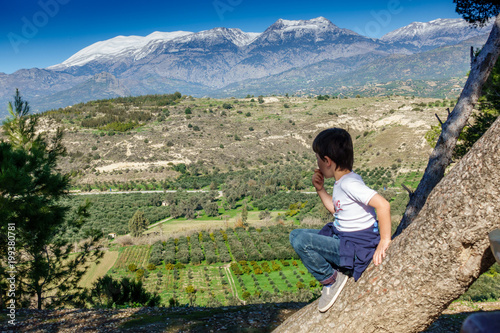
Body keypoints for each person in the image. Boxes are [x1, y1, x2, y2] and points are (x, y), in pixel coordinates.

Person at [289, 128, 391, 312]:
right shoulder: (343, 181)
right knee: (296, 234)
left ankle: (332, 280)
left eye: (318, 158)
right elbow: (337, 210)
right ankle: (336, 272)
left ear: (327, 161)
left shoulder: (349, 184)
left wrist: (385, 241)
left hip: (355, 249)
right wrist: (320, 190)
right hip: (344, 240)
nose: (317, 163)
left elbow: (383, 205)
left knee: (300, 240)